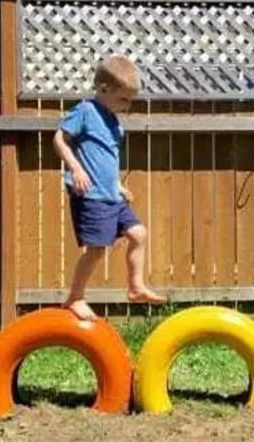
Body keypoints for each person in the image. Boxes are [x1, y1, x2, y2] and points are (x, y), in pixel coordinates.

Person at [52, 55, 167, 320]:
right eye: (123, 99)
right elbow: (59, 139)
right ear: (104, 89)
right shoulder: (85, 111)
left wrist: (117, 185)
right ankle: (75, 297)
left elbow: (106, 157)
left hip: (110, 195)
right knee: (96, 250)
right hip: (90, 196)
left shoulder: (113, 120)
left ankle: (136, 287)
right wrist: (75, 168)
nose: (126, 106)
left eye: (130, 101)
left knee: (139, 234)